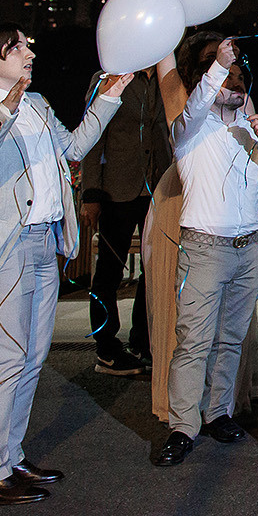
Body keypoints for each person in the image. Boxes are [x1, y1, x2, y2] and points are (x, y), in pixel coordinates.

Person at [0, 25, 130, 505]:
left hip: (45, 241)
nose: (29, 52)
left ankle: (9, 457)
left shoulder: (40, 105)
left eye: (28, 45)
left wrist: (108, 98)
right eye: (17, 47)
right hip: (6, 248)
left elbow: (70, 150)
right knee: (6, 358)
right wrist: (4, 110)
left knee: (31, 357)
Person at [152, 35, 258, 467]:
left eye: (240, 81)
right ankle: (182, 426)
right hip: (204, 249)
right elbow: (192, 107)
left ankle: (219, 413)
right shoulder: (191, 129)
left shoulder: (247, 128)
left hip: (248, 247)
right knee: (193, 341)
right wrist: (218, 68)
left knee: (231, 339)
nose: (237, 86)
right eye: (228, 80)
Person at [79, 65, 170, 376]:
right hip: (116, 189)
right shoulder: (109, 76)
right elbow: (93, 136)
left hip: (158, 189)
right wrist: (90, 193)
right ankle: (106, 348)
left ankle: (143, 342)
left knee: (154, 269)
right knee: (108, 272)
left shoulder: (168, 75)